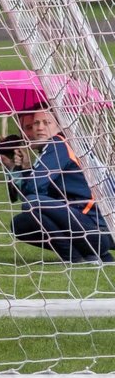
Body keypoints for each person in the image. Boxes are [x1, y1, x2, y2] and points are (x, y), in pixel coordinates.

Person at [8, 107, 114, 264]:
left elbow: (33, 192)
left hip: (98, 230)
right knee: (20, 223)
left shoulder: (58, 144)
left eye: (46, 122)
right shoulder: (62, 146)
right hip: (89, 227)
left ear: (59, 126)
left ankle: (76, 255)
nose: (40, 127)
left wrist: (27, 172)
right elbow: (30, 193)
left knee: (33, 203)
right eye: (36, 123)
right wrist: (25, 167)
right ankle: (87, 256)